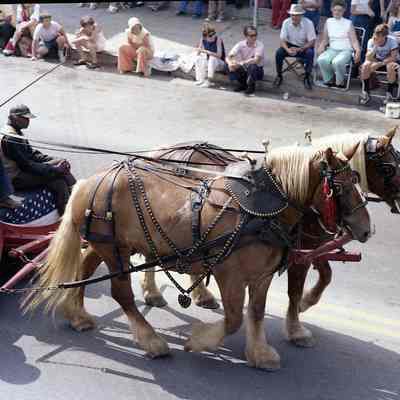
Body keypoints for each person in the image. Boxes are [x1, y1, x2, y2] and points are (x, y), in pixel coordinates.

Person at [0, 105, 76, 215]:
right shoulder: (11, 137)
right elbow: (27, 165)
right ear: (13, 117)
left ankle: (76, 194)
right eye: (25, 118)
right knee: (59, 181)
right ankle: (66, 217)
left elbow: (32, 154)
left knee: (61, 162)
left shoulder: (16, 131)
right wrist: (54, 170)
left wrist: (54, 160)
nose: (28, 121)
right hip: (16, 178)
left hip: (23, 170)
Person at [317, 0, 361, 88]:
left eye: (340, 10)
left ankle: (340, 82)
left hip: (346, 50)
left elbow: (354, 41)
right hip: (332, 49)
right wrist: (321, 46)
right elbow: (325, 39)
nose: (337, 12)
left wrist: (358, 51)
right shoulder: (328, 21)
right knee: (321, 59)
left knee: (337, 62)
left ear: (344, 11)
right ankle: (329, 79)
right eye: (335, 10)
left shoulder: (348, 23)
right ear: (331, 10)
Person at [274, 4, 316, 90]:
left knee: (310, 53)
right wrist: (287, 49)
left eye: (297, 15)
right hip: (290, 45)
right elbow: (282, 40)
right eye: (292, 14)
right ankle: (279, 75)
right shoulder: (286, 22)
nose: (294, 17)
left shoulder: (308, 23)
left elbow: (312, 41)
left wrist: (301, 48)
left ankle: (307, 77)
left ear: (301, 15)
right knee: (279, 53)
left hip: (303, 45)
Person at [359, 23, 399, 104]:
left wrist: (379, 64)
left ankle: (389, 94)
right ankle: (366, 92)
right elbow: (368, 57)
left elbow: (393, 57)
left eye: (380, 38)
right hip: (377, 60)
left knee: (391, 66)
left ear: (385, 36)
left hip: (389, 61)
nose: (378, 39)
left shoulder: (392, 41)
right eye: (376, 36)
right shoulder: (371, 41)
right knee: (365, 65)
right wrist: (375, 46)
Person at [227, 25, 265, 96]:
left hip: (257, 70)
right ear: (246, 36)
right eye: (251, 35)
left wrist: (240, 63)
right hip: (244, 68)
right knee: (228, 65)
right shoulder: (240, 44)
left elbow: (256, 60)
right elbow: (229, 56)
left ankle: (251, 87)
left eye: (255, 35)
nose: (254, 37)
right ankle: (243, 84)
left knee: (252, 66)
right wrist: (230, 63)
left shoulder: (260, 45)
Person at [194, 23, 227, 87]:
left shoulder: (218, 40)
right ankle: (201, 79)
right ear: (205, 37)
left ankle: (209, 81)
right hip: (210, 63)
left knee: (212, 58)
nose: (213, 36)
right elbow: (199, 51)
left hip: (220, 63)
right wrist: (198, 50)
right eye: (210, 36)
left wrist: (206, 51)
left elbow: (219, 55)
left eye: (213, 34)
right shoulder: (202, 39)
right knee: (199, 58)